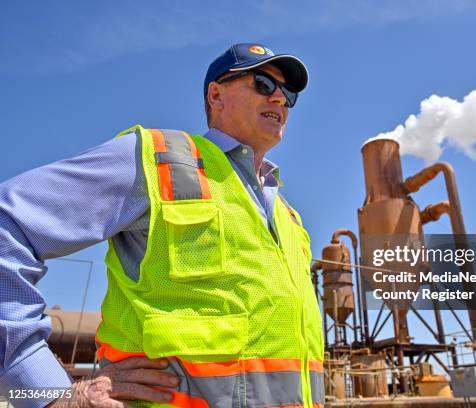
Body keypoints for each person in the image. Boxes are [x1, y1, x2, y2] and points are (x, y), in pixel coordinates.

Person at [0, 43, 324, 408]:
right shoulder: (160, 159)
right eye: (264, 84)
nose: (280, 99)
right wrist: (46, 392)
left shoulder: (288, 218)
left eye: (290, 94)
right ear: (215, 95)